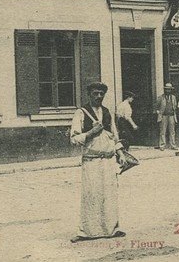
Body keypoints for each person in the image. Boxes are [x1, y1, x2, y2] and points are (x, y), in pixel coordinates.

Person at [69, 82, 125, 242]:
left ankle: (112, 229)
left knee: (109, 195)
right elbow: (73, 139)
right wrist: (91, 133)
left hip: (108, 160)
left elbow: (114, 135)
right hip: (91, 161)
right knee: (91, 195)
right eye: (95, 93)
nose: (99, 96)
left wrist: (120, 152)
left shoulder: (107, 113)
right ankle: (87, 232)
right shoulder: (80, 113)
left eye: (101, 93)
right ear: (89, 94)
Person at [155, 83, 178, 150]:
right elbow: (156, 106)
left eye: (169, 89)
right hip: (164, 116)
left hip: (171, 116)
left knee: (172, 131)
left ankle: (173, 145)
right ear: (165, 90)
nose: (168, 91)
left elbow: (175, 106)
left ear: (171, 90)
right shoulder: (161, 97)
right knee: (163, 131)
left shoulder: (173, 97)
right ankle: (162, 145)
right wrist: (159, 113)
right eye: (167, 89)